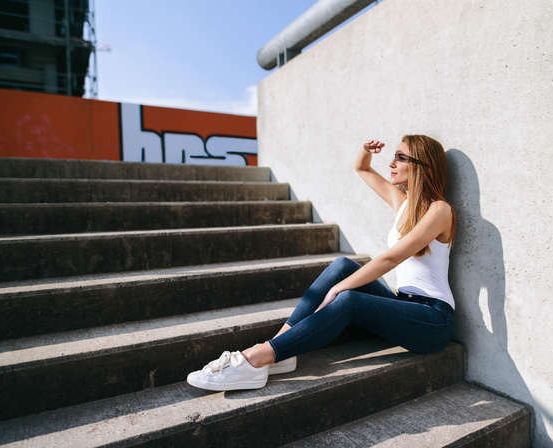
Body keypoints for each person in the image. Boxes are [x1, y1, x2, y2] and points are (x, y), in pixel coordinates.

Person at [187, 135, 456, 391]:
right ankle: (281, 347)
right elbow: (362, 168)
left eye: (400, 157)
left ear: (423, 165)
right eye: (393, 156)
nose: (391, 163)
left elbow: (392, 258)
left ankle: (258, 357)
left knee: (349, 298)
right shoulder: (403, 202)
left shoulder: (440, 210)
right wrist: (366, 150)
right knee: (342, 265)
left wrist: (338, 289)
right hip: (403, 306)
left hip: (433, 320)